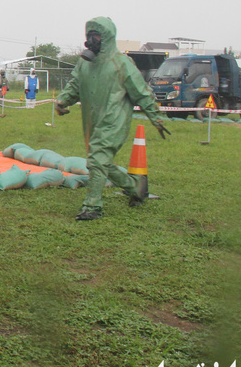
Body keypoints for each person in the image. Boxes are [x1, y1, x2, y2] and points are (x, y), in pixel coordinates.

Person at [55, 17, 171, 221]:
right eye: (89, 35)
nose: (92, 40)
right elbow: (75, 84)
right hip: (92, 120)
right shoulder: (85, 62)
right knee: (99, 162)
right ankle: (135, 187)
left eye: (96, 35)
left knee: (97, 160)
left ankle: (92, 207)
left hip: (114, 120)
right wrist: (63, 100)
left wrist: (155, 117)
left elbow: (141, 92)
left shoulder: (121, 63)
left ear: (107, 37)